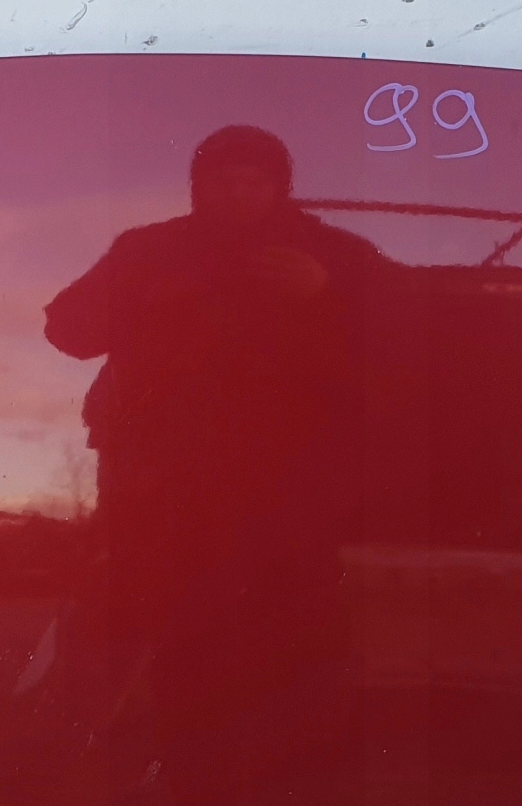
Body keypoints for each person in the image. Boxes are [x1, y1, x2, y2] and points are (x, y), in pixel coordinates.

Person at [43, 125, 385, 736]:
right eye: (222, 180)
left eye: (253, 181)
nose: (236, 193)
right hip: (168, 487)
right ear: (198, 187)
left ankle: (301, 764)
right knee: (184, 637)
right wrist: (148, 295)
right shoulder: (148, 250)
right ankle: (194, 762)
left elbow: (405, 323)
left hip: (293, 484)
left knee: (299, 631)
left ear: (278, 188)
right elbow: (66, 327)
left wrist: (327, 290)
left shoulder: (336, 253)